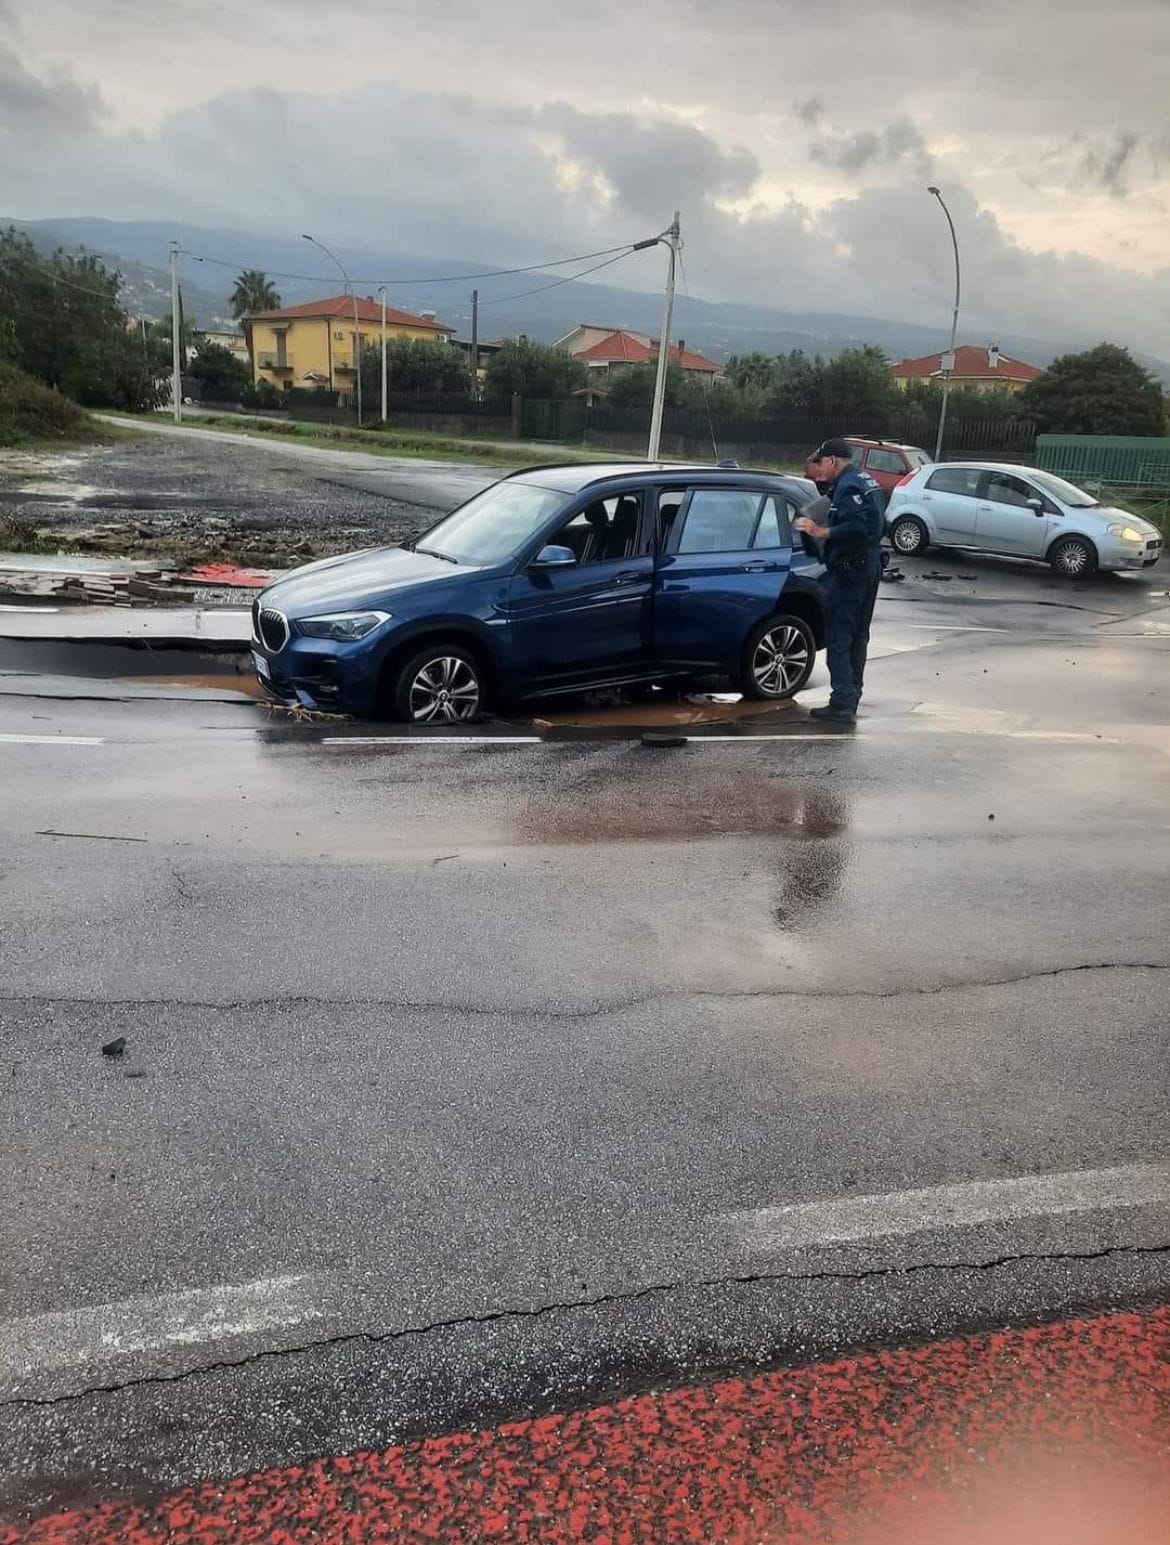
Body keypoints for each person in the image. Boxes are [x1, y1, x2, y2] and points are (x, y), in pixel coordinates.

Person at [793, 438, 885, 723]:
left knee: (840, 635)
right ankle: (852, 696)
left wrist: (820, 532)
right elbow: (882, 522)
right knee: (859, 635)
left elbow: (856, 526)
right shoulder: (866, 480)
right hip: (869, 564)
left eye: (821, 463)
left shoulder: (848, 485)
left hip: (851, 569)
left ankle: (842, 702)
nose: (819, 468)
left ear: (833, 460)